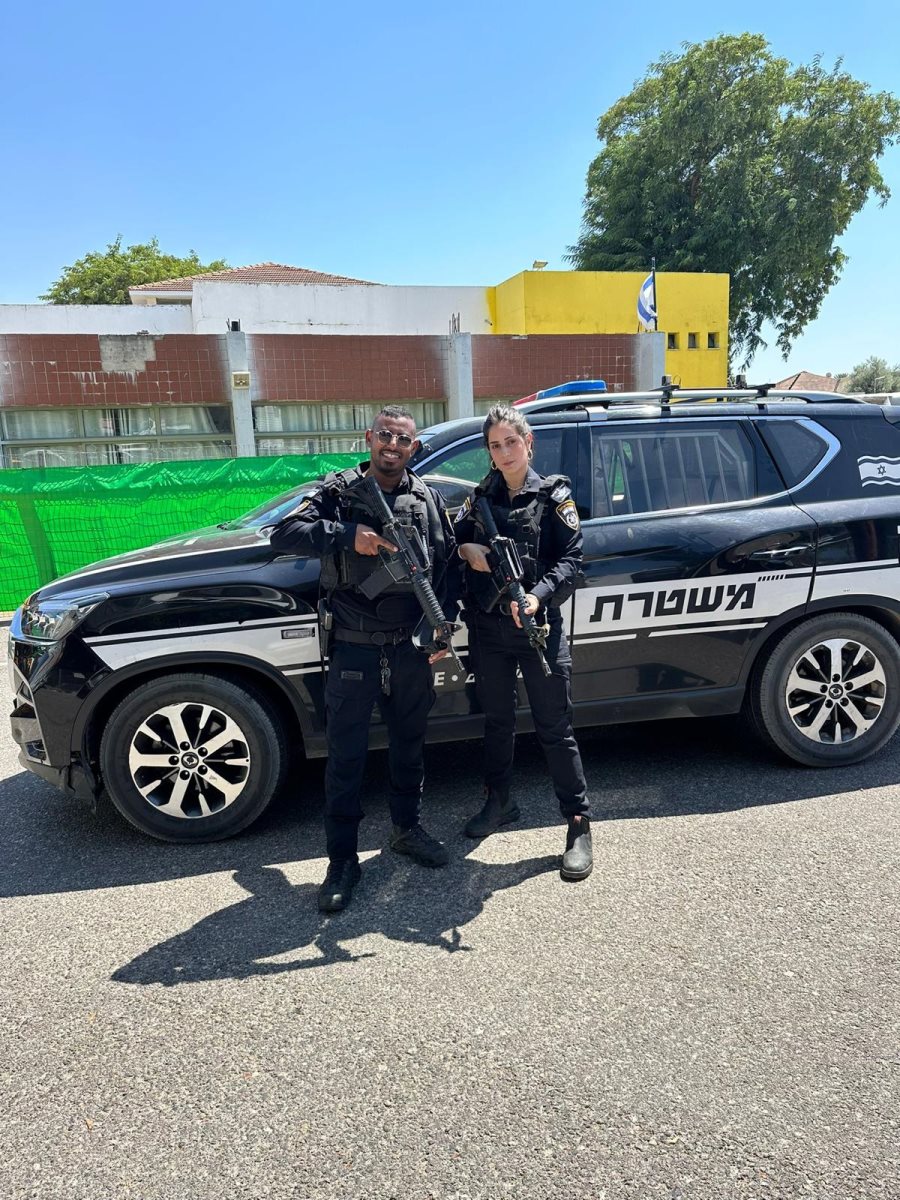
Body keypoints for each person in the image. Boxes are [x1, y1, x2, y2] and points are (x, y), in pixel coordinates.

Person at [269, 405, 458, 912]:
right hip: (354, 646)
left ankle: (406, 829)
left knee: (409, 746)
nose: (393, 446)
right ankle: (342, 861)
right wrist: (347, 536)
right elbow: (283, 533)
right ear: (369, 438)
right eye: (385, 436)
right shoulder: (337, 493)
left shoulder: (426, 499)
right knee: (346, 758)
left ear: (414, 448)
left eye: (403, 439)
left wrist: (442, 625)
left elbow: (447, 568)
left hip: (410, 648)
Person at [454, 404, 593, 881]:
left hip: (539, 629)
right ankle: (499, 802)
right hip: (489, 631)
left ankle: (578, 822)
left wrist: (536, 596)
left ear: (528, 443)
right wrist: (466, 549)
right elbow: (452, 543)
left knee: (555, 727)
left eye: (511, 441)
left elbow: (572, 560)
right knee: (496, 721)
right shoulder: (479, 499)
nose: (505, 452)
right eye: (495, 445)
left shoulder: (554, 497)